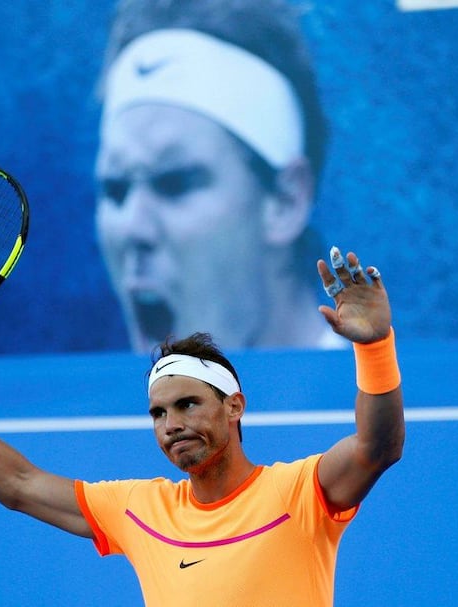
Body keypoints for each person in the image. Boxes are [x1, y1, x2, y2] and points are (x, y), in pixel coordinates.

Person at [0, 246, 405, 607]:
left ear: (235, 407)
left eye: (189, 404)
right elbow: (19, 485)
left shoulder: (299, 491)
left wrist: (375, 348)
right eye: (159, 413)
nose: (172, 424)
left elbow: (376, 447)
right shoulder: (141, 510)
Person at [94, 0, 347, 353]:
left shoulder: (387, 404)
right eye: (115, 190)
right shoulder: (93, 405)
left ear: (286, 201)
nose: (132, 228)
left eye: (176, 184)